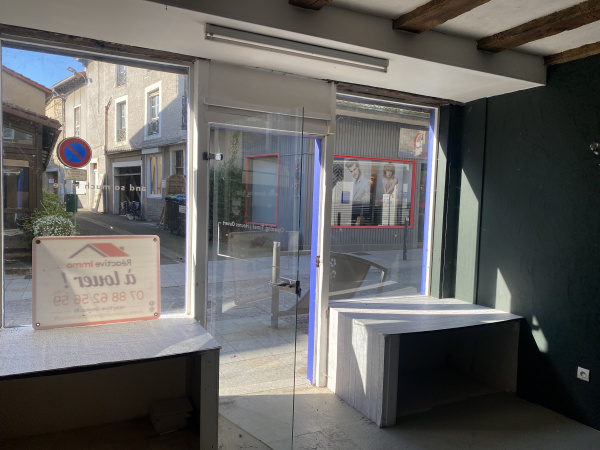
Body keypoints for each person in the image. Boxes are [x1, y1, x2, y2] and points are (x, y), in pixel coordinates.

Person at [346, 159, 370, 225]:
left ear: (359, 167)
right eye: (351, 171)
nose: (353, 173)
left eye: (354, 169)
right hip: (349, 213)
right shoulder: (351, 181)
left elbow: (367, 200)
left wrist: (357, 199)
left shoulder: (366, 182)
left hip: (358, 214)